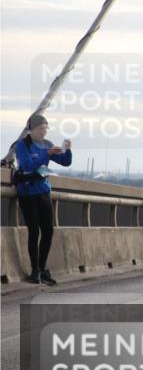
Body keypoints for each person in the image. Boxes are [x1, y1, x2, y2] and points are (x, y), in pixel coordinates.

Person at [13, 114, 72, 285]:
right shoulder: (22, 145)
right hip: (28, 193)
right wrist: (46, 154)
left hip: (43, 191)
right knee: (34, 231)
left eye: (46, 129)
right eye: (40, 129)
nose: (43, 132)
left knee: (48, 230)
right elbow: (27, 166)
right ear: (32, 129)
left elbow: (65, 162)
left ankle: (43, 267)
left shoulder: (46, 144)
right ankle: (35, 271)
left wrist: (67, 150)